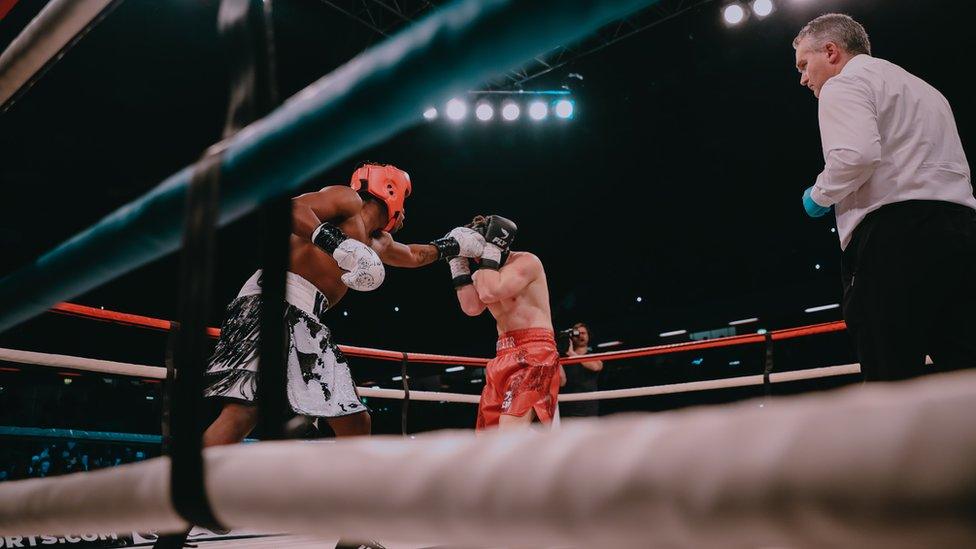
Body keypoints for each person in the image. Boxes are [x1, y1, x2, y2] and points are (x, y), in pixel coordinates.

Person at [202, 163, 485, 446]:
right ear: (390, 190)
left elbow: (412, 255)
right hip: (271, 302)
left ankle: (342, 480)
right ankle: (180, 483)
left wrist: (453, 245)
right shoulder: (348, 201)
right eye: (406, 200)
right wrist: (335, 243)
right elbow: (289, 209)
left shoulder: (377, 241)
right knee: (245, 411)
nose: (405, 213)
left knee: (353, 419)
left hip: (303, 317)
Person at [794, 13, 976, 381]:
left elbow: (856, 156)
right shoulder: (927, 90)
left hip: (893, 239)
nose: (802, 77)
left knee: (890, 375)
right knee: (964, 370)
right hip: (962, 230)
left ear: (831, 51)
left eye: (803, 63)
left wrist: (819, 194)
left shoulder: (842, 84)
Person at [449, 215, 561, 430]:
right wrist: (457, 263)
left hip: (534, 351)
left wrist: (491, 248)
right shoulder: (483, 274)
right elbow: (472, 308)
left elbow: (491, 292)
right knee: (487, 435)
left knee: (510, 432)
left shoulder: (526, 261)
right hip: (502, 354)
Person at [560, 322, 603, 418]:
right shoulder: (565, 359)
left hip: (588, 408)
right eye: (577, 333)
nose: (580, 336)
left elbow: (596, 367)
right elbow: (561, 382)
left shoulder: (593, 356)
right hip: (568, 409)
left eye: (583, 333)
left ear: (588, 336)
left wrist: (572, 354)